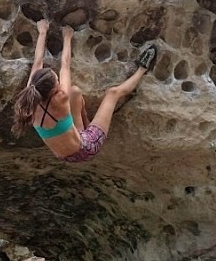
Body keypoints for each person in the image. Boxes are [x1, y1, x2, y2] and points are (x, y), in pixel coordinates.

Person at [12, 20, 157, 162]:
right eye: (57, 81)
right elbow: (65, 65)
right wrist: (67, 37)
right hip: (86, 148)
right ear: (54, 90)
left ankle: (87, 123)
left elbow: (37, 62)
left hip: (64, 154)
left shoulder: (30, 98)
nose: (59, 81)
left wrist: (42, 32)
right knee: (112, 93)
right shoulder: (61, 98)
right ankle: (143, 69)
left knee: (75, 92)